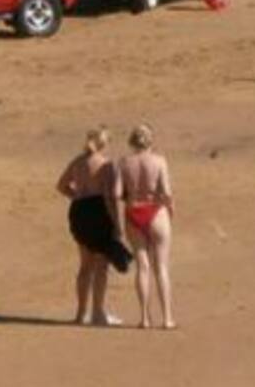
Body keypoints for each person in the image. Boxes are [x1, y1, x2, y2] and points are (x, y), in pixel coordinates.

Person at [56, 126, 130, 326]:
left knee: (85, 266)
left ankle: (80, 315)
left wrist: (77, 197)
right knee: (101, 267)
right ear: (104, 144)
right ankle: (98, 313)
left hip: (79, 212)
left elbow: (61, 185)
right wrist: (117, 225)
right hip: (99, 212)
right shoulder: (106, 165)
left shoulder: (77, 162)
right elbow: (110, 198)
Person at [113, 124, 176, 329]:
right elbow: (165, 192)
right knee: (161, 267)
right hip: (156, 211)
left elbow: (117, 193)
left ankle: (144, 318)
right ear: (151, 140)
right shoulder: (159, 161)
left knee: (143, 267)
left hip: (134, 211)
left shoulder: (124, 162)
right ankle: (166, 318)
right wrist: (170, 207)